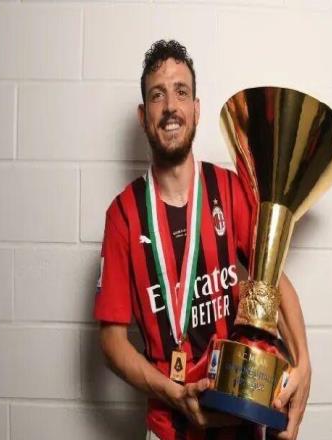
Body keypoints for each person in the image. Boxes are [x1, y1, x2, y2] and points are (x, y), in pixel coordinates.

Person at [94, 40, 311, 440]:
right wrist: (173, 394)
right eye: (157, 95)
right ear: (143, 116)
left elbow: (272, 281)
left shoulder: (230, 189)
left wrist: (305, 362)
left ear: (196, 109)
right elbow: (111, 342)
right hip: (169, 427)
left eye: (181, 92)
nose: (170, 106)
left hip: (240, 422)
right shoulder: (123, 215)